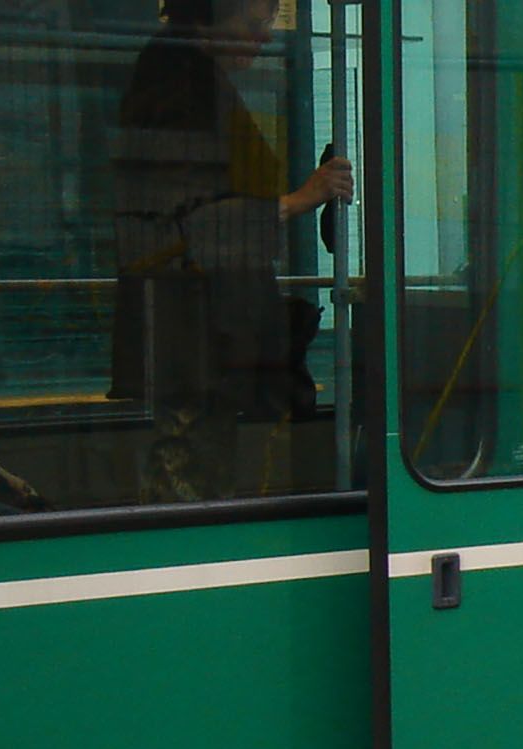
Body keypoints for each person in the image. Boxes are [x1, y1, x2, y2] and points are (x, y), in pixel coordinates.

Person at [111, 0, 353, 502]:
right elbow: (193, 221)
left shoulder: (200, 83)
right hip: (186, 321)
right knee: (187, 474)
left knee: (207, 462)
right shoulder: (178, 90)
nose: (264, 39)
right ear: (205, 21)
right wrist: (302, 198)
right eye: (252, 25)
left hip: (205, 320)